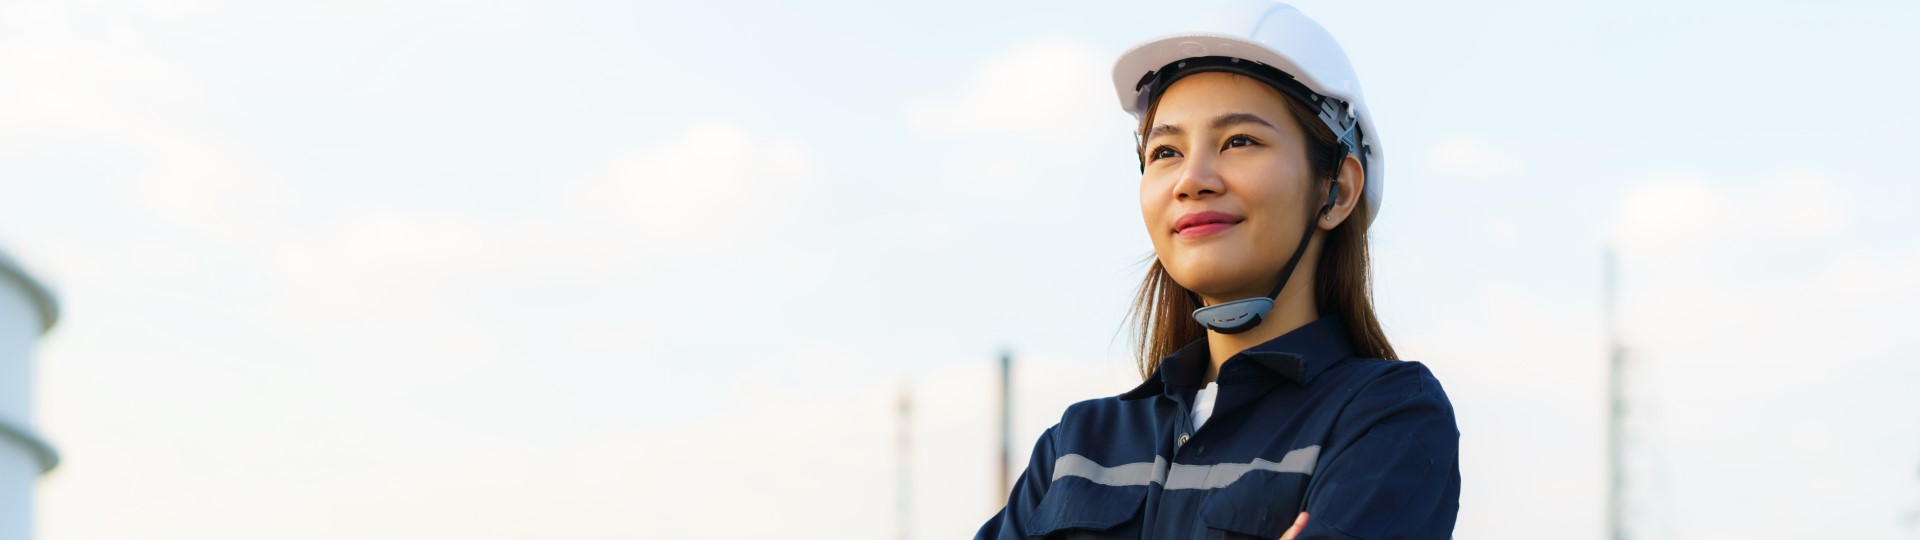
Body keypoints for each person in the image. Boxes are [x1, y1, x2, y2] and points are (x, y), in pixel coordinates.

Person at [973, 1, 1460, 538]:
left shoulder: (1388, 418)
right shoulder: (1075, 448)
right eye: (1164, 152)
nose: (1192, 179)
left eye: (1240, 141)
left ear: (1336, 189)